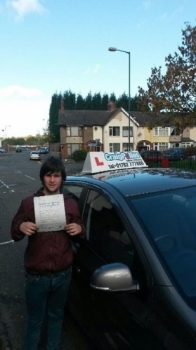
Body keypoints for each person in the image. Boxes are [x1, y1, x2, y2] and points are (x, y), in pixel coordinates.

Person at [11, 156, 86, 350]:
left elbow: (80, 230)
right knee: (35, 320)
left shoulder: (70, 204)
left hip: (63, 274)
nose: (52, 180)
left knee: (56, 318)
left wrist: (79, 229)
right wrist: (22, 225)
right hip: (37, 277)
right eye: (48, 175)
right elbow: (14, 232)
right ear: (42, 177)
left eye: (57, 176)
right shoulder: (29, 204)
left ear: (62, 178)